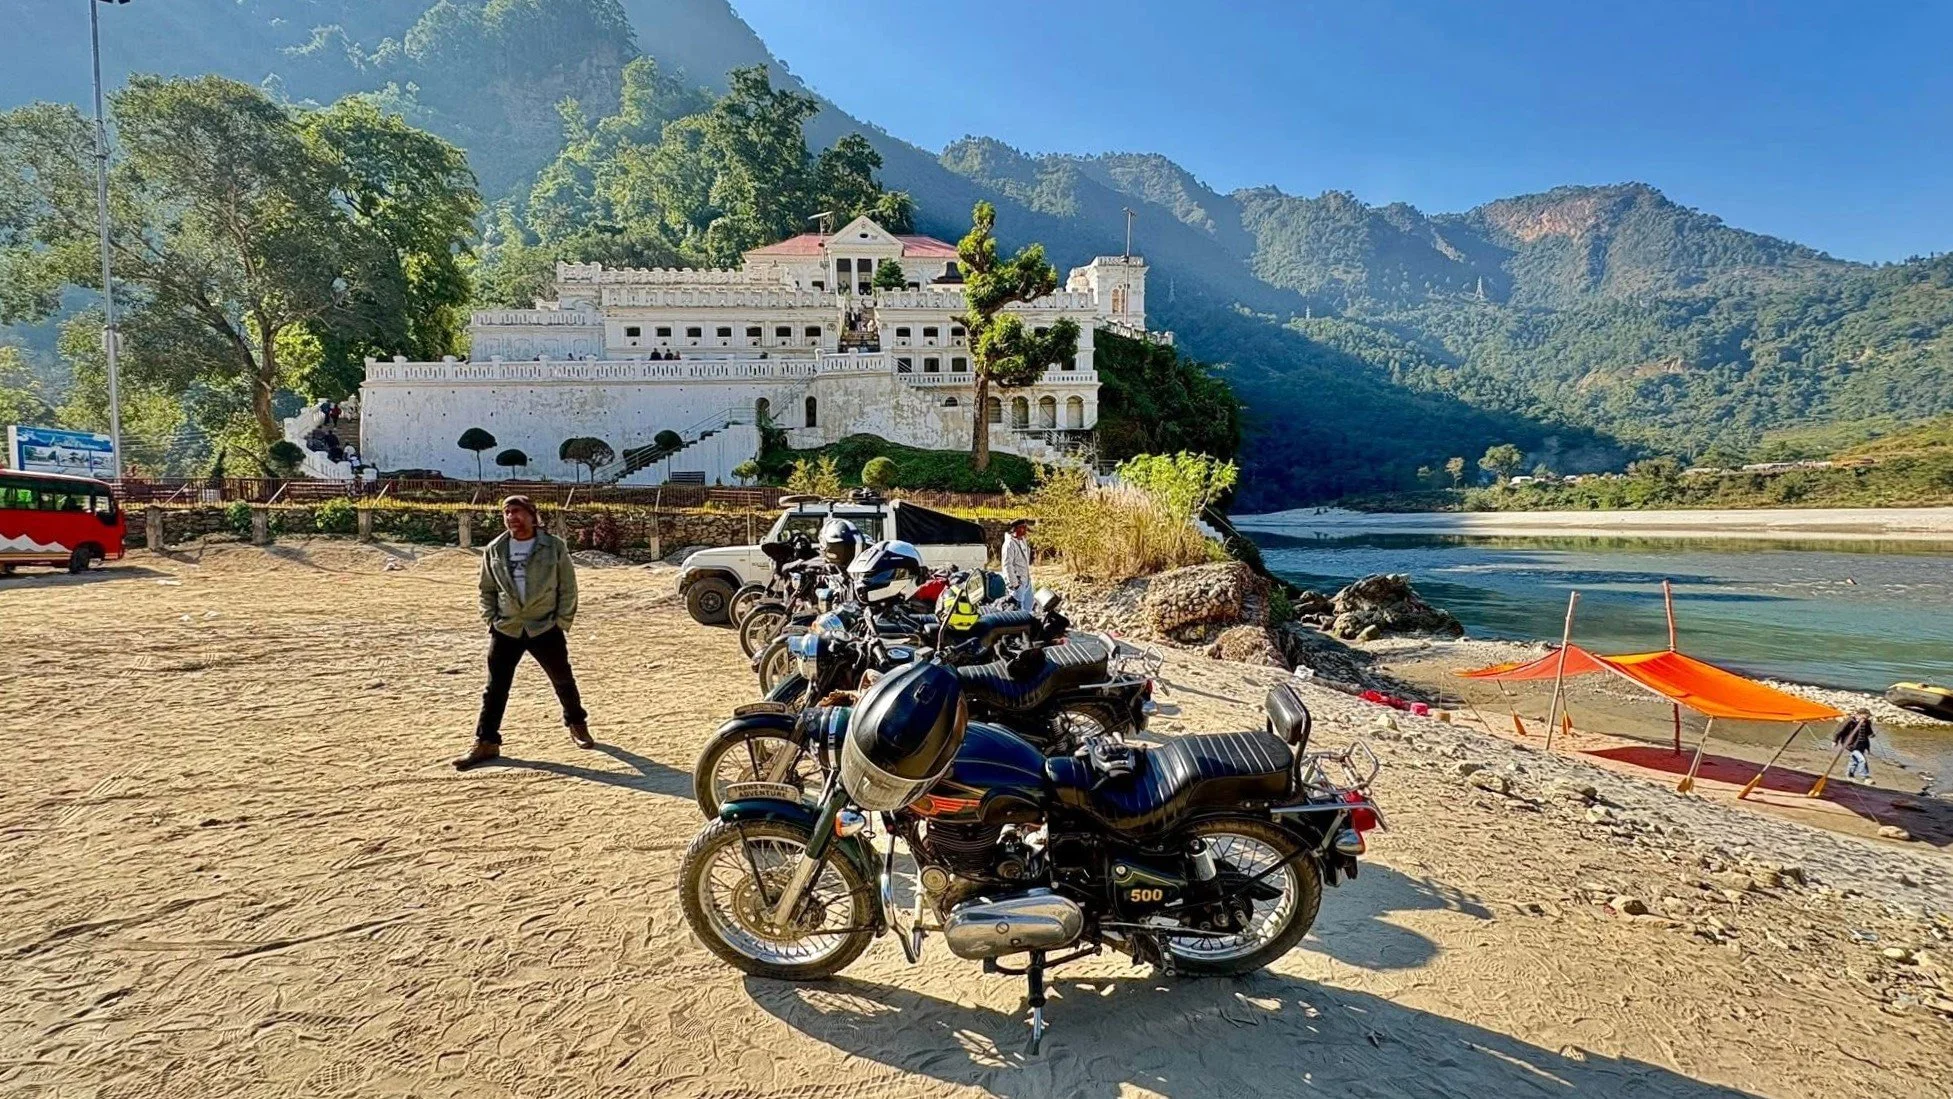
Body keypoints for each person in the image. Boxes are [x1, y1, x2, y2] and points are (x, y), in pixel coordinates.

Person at [454, 495, 592, 769]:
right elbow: (486, 589)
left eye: (517, 511)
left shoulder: (553, 547)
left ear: (532, 515)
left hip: (544, 625)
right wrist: (491, 619)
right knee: (495, 688)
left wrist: (561, 622)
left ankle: (578, 725)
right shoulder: (495, 549)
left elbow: (568, 588)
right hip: (507, 627)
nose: (511, 517)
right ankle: (486, 741)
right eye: (506, 512)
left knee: (562, 679)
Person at [1835, 707, 1875, 782]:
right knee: (1862, 760)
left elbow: (1869, 732)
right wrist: (1835, 741)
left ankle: (1850, 775)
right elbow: (1840, 730)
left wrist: (1871, 735)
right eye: (1866, 716)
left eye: (1868, 717)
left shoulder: (1867, 722)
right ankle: (1865, 777)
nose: (1867, 718)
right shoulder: (1850, 721)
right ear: (1859, 715)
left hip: (1862, 745)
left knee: (1854, 761)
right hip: (1851, 744)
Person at [1002, 518, 1034, 611]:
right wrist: (1015, 584)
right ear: (1016, 529)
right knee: (1018, 610)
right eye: (1023, 527)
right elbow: (1007, 566)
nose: (1025, 529)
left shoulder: (1023, 540)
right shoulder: (1009, 544)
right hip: (1017, 584)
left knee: (1029, 609)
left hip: (1026, 581)